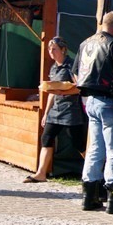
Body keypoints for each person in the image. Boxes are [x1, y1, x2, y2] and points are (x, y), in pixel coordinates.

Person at [73, 11, 113, 213]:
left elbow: (75, 71)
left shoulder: (85, 42)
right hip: (111, 101)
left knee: (95, 148)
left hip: (91, 101)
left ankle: (89, 196)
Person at [24, 37, 85, 183]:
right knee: (46, 138)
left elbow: (80, 87)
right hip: (55, 111)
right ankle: (41, 173)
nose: (51, 52)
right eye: (49, 49)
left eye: (54, 49)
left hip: (71, 111)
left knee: (78, 143)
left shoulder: (71, 65)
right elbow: (52, 91)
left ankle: (94, 174)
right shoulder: (53, 67)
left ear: (63, 50)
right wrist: (46, 112)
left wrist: (63, 92)